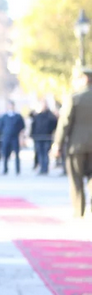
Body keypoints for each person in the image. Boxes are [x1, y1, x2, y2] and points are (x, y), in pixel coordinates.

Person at [52, 68, 92, 218]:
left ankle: (79, 210)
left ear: (84, 79)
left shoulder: (75, 98)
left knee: (76, 179)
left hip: (77, 146)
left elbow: (65, 123)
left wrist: (58, 144)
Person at [31, 100, 58, 175]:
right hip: (38, 137)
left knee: (45, 153)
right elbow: (33, 124)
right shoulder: (37, 115)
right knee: (40, 153)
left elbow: (54, 123)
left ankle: (45, 169)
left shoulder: (50, 115)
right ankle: (41, 168)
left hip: (47, 137)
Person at [0, 101, 26, 175]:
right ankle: (5, 169)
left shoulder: (18, 116)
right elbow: (1, 126)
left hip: (15, 137)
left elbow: (22, 127)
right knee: (5, 154)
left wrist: (21, 137)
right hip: (6, 137)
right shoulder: (4, 117)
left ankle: (17, 170)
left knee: (17, 154)